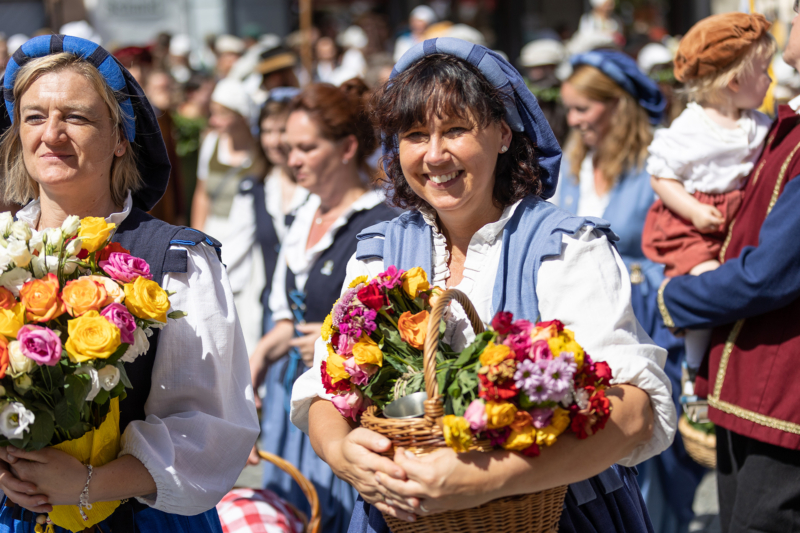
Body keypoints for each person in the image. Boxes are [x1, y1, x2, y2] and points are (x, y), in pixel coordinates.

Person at [291, 37, 676, 533]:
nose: (434, 156)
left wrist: (485, 479)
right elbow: (326, 386)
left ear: (502, 133)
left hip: (556, 518)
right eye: (413, 134)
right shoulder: (377, 252)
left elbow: (635, 410)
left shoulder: (566, 248)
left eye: (455, 130)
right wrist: (343, 452)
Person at [0, 34, 259, 531]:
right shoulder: (4, 247)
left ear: (121, 138)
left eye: (75, 117)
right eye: (34, 116)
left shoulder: (176, 259)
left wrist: (85, 485)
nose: (51, 133)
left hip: (137, 520)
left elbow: (211, 430)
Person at [657, 4, 800, 530]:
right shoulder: (782, 123)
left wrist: (670, 297)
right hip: (752, 389)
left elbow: (770, 274)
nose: (790, 19)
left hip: (782, 399)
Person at [557, 49, 703, 533]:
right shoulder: (573, 168)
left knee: (666, 463)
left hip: (652, 324)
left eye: (584, 108)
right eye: (570, 109)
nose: (574, 120)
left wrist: (639, 272)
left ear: (618, 103)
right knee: (611, 460)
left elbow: (687, 246)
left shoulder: (654, 166)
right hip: (588, 330)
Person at [248, 79, 396, 533]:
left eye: (307, 148)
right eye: (290, 147)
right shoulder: (301, 215)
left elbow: (390, 316)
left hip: (339, 399)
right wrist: (253, 367)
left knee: (331, 511)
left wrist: (337, 336)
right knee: (288, 508)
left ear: (348, 147)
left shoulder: (381, 222)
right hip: (285, 391)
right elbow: (283, 314)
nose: (293, 160)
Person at [642, 13, 774, 399]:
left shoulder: (756, 122)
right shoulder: (691, 128)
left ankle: (712, 370)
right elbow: (661, 176)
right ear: (734, 81)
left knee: (729, 284)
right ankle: (695, 374)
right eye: (763, 71)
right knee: (710, 284)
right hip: (692, 223)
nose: (769, 79)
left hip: (733, 219)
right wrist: (693, 210)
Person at [225, 87, 310, 351]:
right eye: (267, 131)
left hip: (319, 316)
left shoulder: (320, 189)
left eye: (282, 130)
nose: (274, 141)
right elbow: (231, 259)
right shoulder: (255, 189)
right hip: (273, 318)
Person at [191, 77, 267, 245]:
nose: (213, 121)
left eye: (222, 115)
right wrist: (197, 237)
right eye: (212, 113)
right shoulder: (211, 142)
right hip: (214, 233)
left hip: (248, 238)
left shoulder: (260, 151)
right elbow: (202, 194)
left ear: (242, 117)